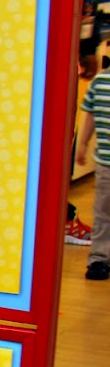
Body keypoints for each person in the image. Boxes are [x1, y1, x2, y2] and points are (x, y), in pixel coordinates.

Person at [68, 0, 110, 246]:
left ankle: (58, 215)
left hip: (71, 49)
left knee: (64, 134)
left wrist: (86, 48)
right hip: (42, 52)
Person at [76, 54, 110, 278]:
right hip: (106, 163)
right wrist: (83, 143)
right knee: (103, 212)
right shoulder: (100, 82)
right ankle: (99, 258)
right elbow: (90, 114)